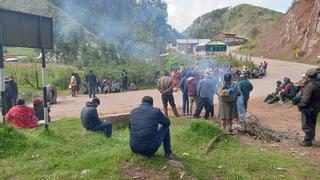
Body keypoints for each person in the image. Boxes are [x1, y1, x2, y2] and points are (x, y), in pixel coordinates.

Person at [297, 68, 320, 147]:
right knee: (312, 123)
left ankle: (307, 141)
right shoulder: (318, 83)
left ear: (308, 76)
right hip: (316, 107)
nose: (305, 76)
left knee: (306, 124)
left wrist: (300, 105)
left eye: (306, 75)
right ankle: (311, 138)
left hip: (308, 108)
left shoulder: (310, 85)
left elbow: (305, 99)